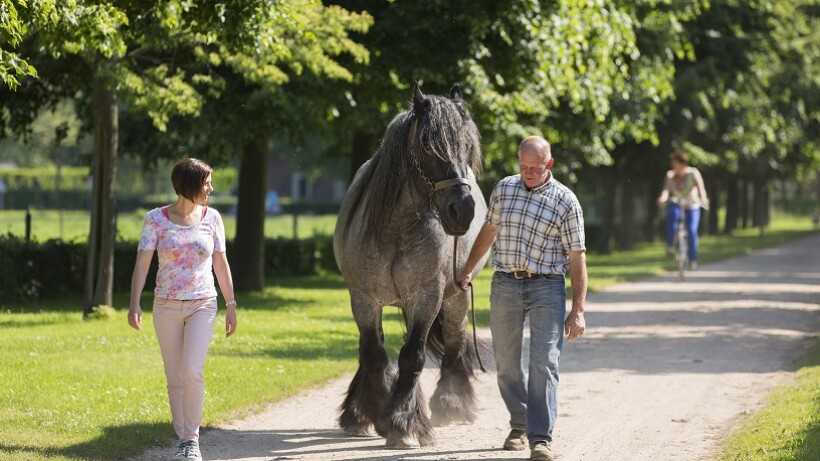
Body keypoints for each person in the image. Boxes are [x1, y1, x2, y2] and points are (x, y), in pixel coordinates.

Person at [456, 135, 587, 461]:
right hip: (505, 285)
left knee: (544, 362)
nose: (527, 172)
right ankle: (520, 422)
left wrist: (578, 310)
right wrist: (468, 268)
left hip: (547, 287)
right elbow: (489, 230)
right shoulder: (504, 188)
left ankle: (540, 439)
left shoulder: (565, 201)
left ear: (549, 164)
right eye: (523, 166)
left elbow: (576, 257)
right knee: (506, 364)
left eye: (535, 167)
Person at [129, 158, 238, 461]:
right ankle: (183, 439)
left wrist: (231, 304)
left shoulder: (212, 218)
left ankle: (192, 440)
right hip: (165, 306)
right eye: (206, 183)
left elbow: (220, 262)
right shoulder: (155, 219)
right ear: (189, 185)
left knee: (192, 370)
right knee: (174, 376)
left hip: (203, 303)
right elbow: (142, 263)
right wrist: (134, 302)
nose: (211, 188)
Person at [656, 151, 709, 269]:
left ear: (682, 163)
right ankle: (670, 245)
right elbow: (666, 190)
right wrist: (662, 198)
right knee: (672, 217)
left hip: (692, 205)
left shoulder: (693, 173)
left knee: (691, 230)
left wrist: (704, 199)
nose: (673, 166)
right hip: (677, 203)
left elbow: (701, 189)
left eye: (675, 163)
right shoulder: (670, 175)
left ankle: (692, 259)